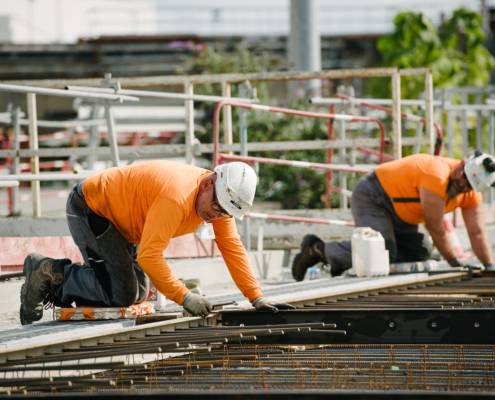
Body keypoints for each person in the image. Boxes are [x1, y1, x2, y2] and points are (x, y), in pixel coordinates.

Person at [20, 160, 293, 325]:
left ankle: (68, 278)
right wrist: (184, 296)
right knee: (122, 295)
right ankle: (49, 273)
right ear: (210, 182)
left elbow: (232, 247)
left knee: (139, 293)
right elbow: (151, 257)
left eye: (223, 213)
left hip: (124, 226)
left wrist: (256, 297)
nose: (215, 216)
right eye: (216, 208)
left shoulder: (219, 200)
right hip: (91, 210)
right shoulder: (177, 197)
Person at [292, 152, 495, 281]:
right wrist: (454, 264)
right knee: (383, 251)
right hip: (374, 196)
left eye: (468, 184)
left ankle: (349, 259)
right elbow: (435, 227)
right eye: (463, 175)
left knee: (422, 250)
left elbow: (476, 232)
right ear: (462, 164)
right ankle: (319, 250)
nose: (462, 183)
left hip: (401, 214)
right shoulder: (437, 174)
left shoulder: (469, 194)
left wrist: (489, 267)